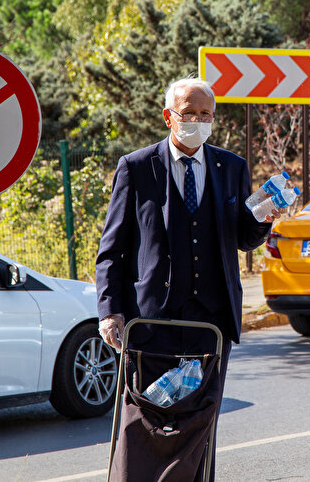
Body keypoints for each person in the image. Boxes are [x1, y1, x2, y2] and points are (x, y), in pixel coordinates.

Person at [96, 77, 280, 480]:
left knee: (200, 427)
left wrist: (264, 217)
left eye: (205, 114)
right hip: (152, 325)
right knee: (146, 423)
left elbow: (243, 239)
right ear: (168, 117)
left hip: (209, 326)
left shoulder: (231, 167)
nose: (198, 121)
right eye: (189, 113)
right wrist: (110, 311)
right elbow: (112, 249)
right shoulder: (137, 167)